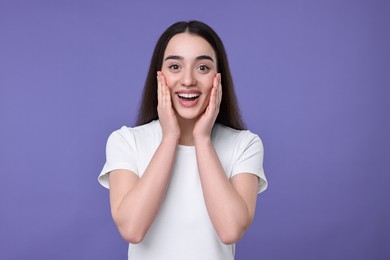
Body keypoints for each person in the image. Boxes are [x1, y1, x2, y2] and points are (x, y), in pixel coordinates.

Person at [98, 20, 268, 260]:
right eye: (175, 66)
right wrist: (170, 137)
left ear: (218, 78)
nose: (188, 80)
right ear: (159, 76)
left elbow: (230, 230)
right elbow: (132, 229)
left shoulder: (245, 145)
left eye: (203, 68)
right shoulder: (125, 141)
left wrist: (202, 139)